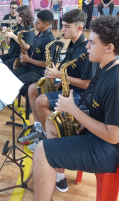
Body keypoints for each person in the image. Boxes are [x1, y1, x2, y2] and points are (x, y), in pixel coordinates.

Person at [33, 16, 119, 200]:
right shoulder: (106, 67)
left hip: (117, 152)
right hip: (104, 139)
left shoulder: (118, 85)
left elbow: (114, 137)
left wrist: (73, 110)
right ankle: (55, 176)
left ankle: (46, 176)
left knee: (42, 151)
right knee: (52, 125)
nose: (87, 46)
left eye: (92, 42)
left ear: (109, 47)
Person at [19, 9, 99, 157]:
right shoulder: (72, 44)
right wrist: (57, 83)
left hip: (82, 96)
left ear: (79, 28)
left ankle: (46, 137)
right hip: (69, 88)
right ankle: (38, 128)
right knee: (32, 89)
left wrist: (60, 76)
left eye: (67, 26)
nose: (62, 30)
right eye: (63, 26)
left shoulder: (86, 51)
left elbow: (88, 84)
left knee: (41, 101)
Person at [11, 9, 55, 86]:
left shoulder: (49, 40)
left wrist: (28, 59)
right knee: (10, 76)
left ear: (47, 25)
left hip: (39, 72)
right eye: (36, 21)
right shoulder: (40, 34)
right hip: (30, 66)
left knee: (15, 82)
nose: (35, 24)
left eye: (38, 23)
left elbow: (46, 64)